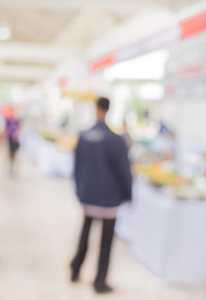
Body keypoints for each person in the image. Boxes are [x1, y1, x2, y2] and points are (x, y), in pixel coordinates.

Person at [71, 97, 132, 294]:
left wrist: (79, 190)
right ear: (108, 109)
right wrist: (127, 194)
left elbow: (76, 167)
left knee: (85, 233)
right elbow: (124, 170)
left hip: (88, 194)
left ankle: (75, 269)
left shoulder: (83, 136)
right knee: (106, 241)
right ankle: (99, 281)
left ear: (95, 108)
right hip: (109, 197)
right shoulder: (115, 140)